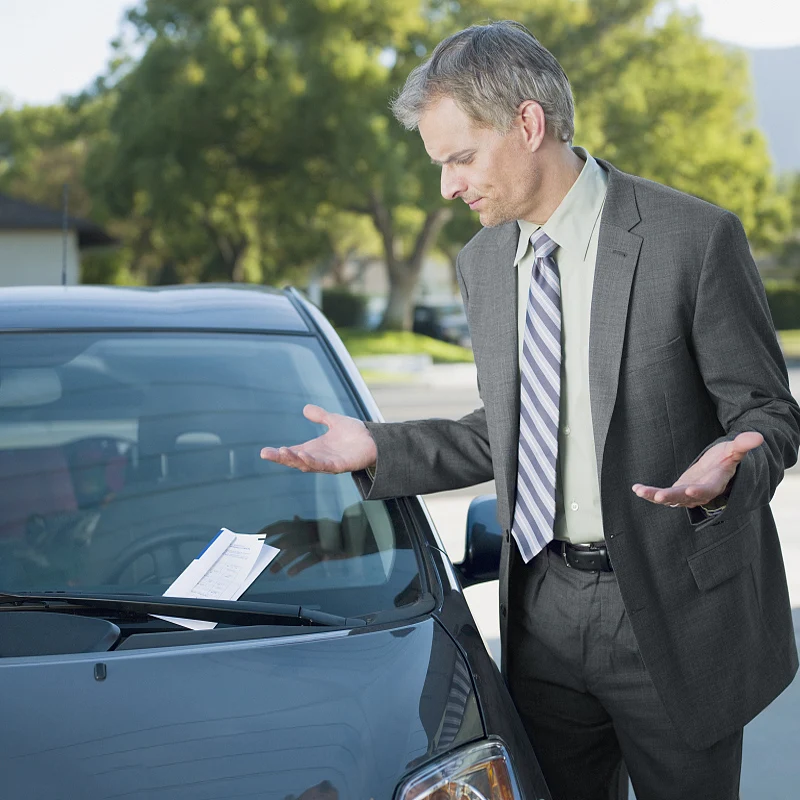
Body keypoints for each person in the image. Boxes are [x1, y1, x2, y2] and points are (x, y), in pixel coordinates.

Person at [260, 20, 800, 800]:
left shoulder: (693, 239)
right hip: (539, 611)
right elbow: (510, 429)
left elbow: (771, 413)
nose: (448, 186)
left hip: (672, 619)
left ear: (529, 124)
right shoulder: (483, 262)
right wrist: (377, 448)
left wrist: (737, 457)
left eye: (460, 158)